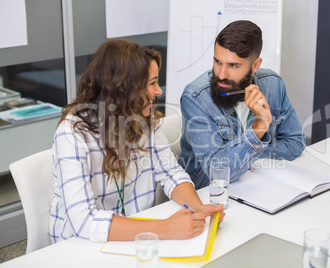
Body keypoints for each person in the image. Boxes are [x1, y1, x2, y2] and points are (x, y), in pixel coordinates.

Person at [49, 39, 224, 244]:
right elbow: (84, 221)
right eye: (152, 83)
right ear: (123, 89)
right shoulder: (72, 134)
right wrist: (165, 228)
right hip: (81, 245)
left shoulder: (144, 120)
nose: (159, 91)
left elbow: (170, 173)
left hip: (135, 235)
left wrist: (199, 208)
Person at [179, 20, 305, 189]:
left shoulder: (273, 84)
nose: (222, 74)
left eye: (233, 65)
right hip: (208, 191)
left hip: (257, 183)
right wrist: (258, 130)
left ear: (255, 66)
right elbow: (216, 171)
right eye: (217, 62)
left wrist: (248, 157)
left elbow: (295, 142)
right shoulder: (196, 97)